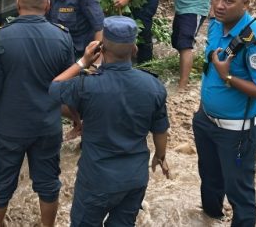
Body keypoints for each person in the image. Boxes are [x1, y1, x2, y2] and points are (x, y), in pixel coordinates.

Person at [50, 16, 170, 226]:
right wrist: (160, 156)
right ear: (134, 49)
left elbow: (54, 88)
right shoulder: (153, 86)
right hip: (135, 178)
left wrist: (83, 62)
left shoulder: (86, 86)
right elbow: (161, 130)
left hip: (97, 179)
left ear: (101, 49)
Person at [0, 0, 75, 227]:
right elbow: (66, 90)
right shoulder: (62, 38)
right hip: (47, 126)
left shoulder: (1, 38)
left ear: (18, 2)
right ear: (48, 5)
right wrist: (77, 119)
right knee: (48, 184)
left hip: (9, 128)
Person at [193, 0, 256, 227]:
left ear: (246, 4)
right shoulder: (215, 24)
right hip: (206, 121)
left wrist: (228, 77)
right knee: (209, 179)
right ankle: (210, 219)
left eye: (228, 1)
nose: (220, 5)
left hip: (236, 133)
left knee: (239, 191)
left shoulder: (255, 43)